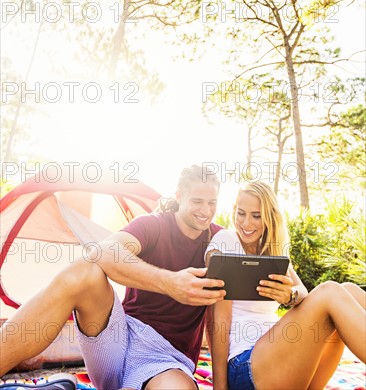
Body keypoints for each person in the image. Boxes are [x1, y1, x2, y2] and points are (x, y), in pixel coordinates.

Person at [0, 165, 227, 390]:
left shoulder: (219, 240)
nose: (205, 210)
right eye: (197, 201)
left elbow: (222, 314)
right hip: (118, 341)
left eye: (212, 203)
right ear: (179, 196)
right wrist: (171, 283)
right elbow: (103, 252)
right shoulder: (154, 224)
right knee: (84, 270)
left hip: (167, 359)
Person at [206, 181, 366, 390]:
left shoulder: (273, 249)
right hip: (245, 365)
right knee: (331, 291)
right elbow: (218, 319)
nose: (246, 223)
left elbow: (301, 291)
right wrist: (220, 387)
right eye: (241, 213)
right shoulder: (226, 241)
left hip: (282, 362)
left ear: (270, 217)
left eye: (256, 215)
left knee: (350, 291)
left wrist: (289, 295)